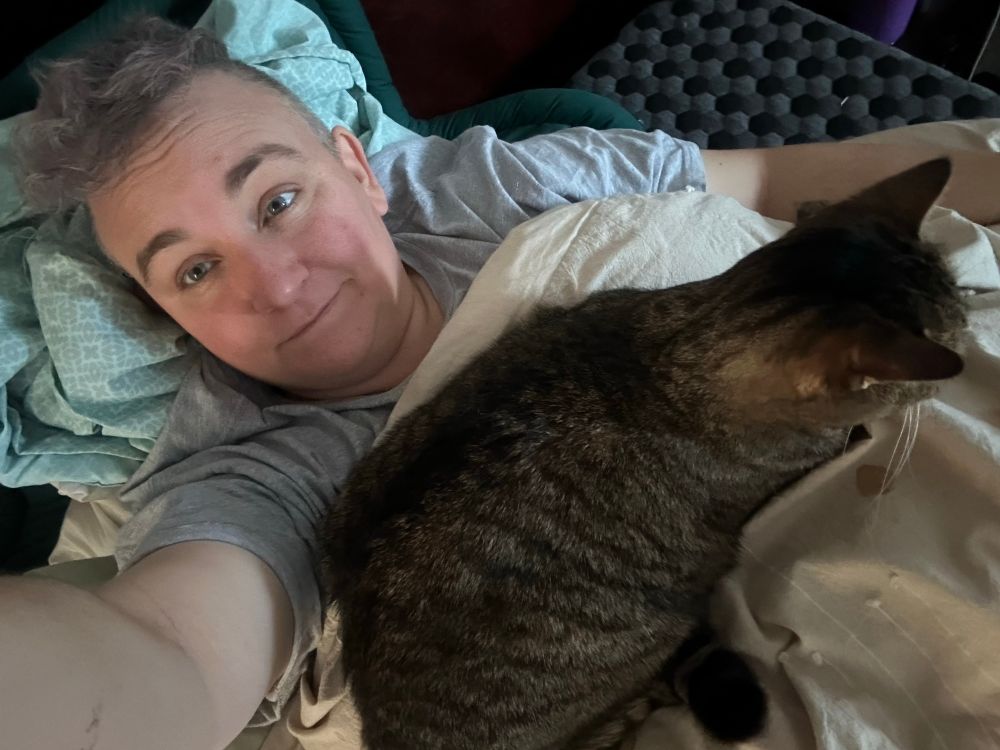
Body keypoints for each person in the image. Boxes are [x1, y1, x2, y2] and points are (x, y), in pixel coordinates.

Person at [3, 15, 999, 750]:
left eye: (278, 199)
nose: (278, 282)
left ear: (359, 167)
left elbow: (774, 182)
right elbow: (166, 652)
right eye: (193, 269)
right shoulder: (247, 461)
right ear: (167, 317)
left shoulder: (495, 185)